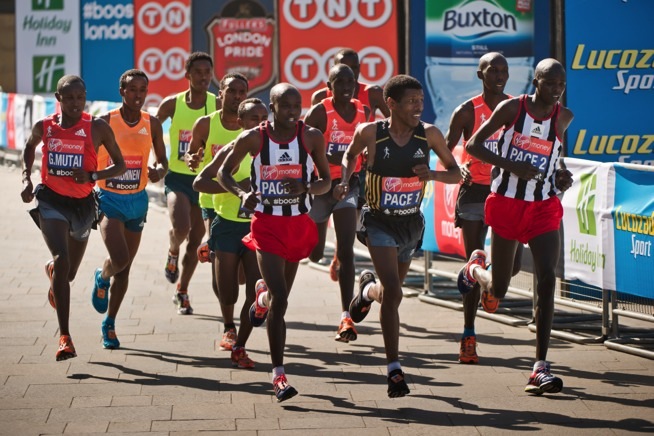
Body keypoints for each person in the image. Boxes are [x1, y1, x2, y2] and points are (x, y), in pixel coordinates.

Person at [340, 75, 461, 397]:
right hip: (378, 221)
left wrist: (433, 174)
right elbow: (349, 155)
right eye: (411, 101)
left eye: (421, 100)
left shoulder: (430, 134)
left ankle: (367, 292)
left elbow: (456, 172)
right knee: (395, 292)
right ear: (391, 104)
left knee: (388, 292)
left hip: (411, 225)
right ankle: (394, 369)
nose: (418, 107)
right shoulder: (371, 133)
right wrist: (344, 178)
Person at [462, 58, 574, 395]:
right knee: (499, 288)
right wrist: (513, 165)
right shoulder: (513, 109)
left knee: (546, 280)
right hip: (508, 203)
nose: (555, 91)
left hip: (543, 207)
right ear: (536, 81)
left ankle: (540, 366)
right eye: (549, 83)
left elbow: (556, 157)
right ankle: (475, 272)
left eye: (561, 85)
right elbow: (474, 145)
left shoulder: (563, 117)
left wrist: (562, 175)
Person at [218, 83, 331, 402]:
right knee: (280, 299)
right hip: (266, 224)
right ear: (272, 107)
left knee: (276, 302)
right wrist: (242, 194)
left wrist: (306, 187)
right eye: (286, 106)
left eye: (297, 105)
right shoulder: (254, 137)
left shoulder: (311, 136)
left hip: (298, 224)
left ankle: (259, 303)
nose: (293, 111)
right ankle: (278, 376)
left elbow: (326, 182)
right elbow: (223, 174)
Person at [20, 75, 126, 360]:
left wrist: (93, 176)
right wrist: (26, 180)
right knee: (61, 258)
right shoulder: (45, 126)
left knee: (69, 274)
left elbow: (120, 165)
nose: (75, 103)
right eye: (69, 98)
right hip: (50, 200)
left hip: (82, 206)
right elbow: (30, 147)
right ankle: (65, 337)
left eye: (80, 97)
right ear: (59, 98)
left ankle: (57, 275)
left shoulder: (97, 128)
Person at [445, 52, 522, 364]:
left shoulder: (517, 108)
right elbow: (446, 148)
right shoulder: (466, 111)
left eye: (504, 69)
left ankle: (491, 281)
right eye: (493, 70)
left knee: (512, 266)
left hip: (506, 192)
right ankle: (468, 335)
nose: (500, 74)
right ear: (481, 74)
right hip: (474, 192)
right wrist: (458, 167)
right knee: (472, 261)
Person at [90, 69, 168, 349]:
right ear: (121, 91)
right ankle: (102, 275)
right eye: (132, 89)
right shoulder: (104, 122)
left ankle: (109, 323)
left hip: (137, 200)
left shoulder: (153, 123)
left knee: (125, 269)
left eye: (143, 90)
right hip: (109, 198)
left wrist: (159, 172)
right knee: (119, 259)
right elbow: (87, 160)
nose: (138, 95)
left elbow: (162, 160)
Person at [193, 98, 269, 368]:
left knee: (253, 290)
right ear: (240, 123)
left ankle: (240, 346)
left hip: (258, 228)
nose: (259, 122)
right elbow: (199, 181)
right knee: (227, 292)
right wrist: (237, 187)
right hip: (226, 225)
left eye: (264, 116)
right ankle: (228, 324)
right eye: (252, 118)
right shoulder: (233, 149)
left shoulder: (276, 149)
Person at [311, 48, 390, 279]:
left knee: (353, 218)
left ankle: (343, 254)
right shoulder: (320, 99)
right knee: (318, 248)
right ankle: (337, 250)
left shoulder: (373, 93)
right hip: (326, 173)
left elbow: (391, 123)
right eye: (344, 69)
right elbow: (311, 139)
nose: (351, 77)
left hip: (361, 169)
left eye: (354, 69)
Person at [305, 64, 370, 343]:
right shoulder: (321, 111)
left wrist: (351, 173)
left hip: (347, 185)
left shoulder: (362, 111)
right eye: (340, 82)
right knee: (315, 254)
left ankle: (346, 317)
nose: (346, 86)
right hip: (320, 188)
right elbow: (303, 145)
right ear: (329, 86)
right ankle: (326, 253)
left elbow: (359, 151)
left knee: (346, 248)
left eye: (351, 82)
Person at [187, 73, 249, 348]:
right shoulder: (206, 123)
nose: (236, 96)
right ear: (220, 94)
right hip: (213, 202)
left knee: (241, 276)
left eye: (241, 92)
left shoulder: (253, 125)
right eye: (231, 91)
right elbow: (192, 158)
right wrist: (193, 158)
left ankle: (214, 253)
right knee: (223, 270)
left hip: (245, 206)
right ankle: (228, 326)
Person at [156, 52, 220, 315]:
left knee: (195, 242)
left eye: (208, 72)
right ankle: (172, 251)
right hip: (178, 178)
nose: (204, 77)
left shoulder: (217, 103)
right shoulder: (172, 104)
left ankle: (182, 290)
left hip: (204, 180)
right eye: (198, 72)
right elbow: (149, 129)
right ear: (187, 75)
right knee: (180, 227)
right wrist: (156, 161)